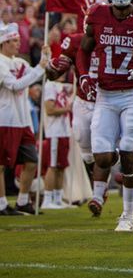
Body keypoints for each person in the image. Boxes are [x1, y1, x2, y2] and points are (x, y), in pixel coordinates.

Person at [81, 0, 133, 231]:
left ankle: (128, 215)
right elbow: (83, 49)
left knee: (130, 152)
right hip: (106, 96)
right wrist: (84, 75)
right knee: (103, 157)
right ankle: (101, 191)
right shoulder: (97, 14)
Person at [0, 23, 49, 215]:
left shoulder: (20, 63)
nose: (17, 44)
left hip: (23, 119)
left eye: (19, 40)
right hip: (5, 118)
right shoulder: (1, 63)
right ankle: (2, 204)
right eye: (13, 41)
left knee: (31, 160)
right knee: (1, 164)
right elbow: (15, 85)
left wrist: (45, 58)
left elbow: (37, 74)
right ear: (4, 42)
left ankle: (22, 201)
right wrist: (39, 69)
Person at [45, 20, 96, 180]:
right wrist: (50, 67)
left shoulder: (115, 38)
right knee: (82, 139)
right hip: (84, 99)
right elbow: (54, 74)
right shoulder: (75, 41)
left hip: (109, 97)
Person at [40, 70, 73, 210]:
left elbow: (74, 88)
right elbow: (50, 110)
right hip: (54, 131)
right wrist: (67, 109)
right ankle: (47, 199)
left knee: (61, 166)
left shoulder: (61, 86)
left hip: (64, 131)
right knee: (53, 166)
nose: (63, 73)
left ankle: (58, 199)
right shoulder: (49, 86)